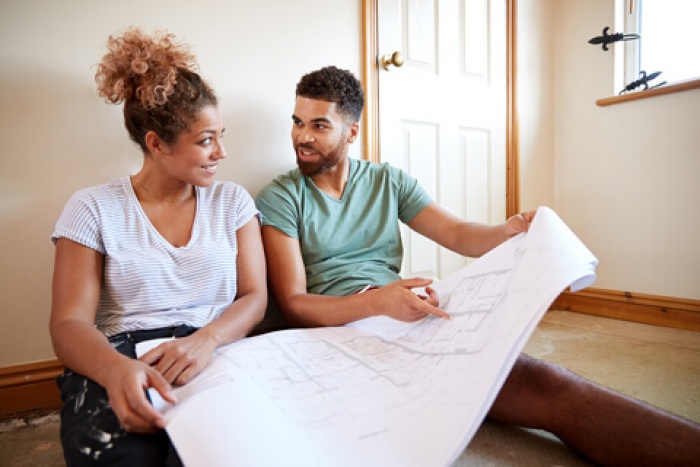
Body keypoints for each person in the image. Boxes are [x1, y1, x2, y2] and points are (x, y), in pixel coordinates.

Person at [255, 65, 700, 466]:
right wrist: (377, 304)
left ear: (351, 132)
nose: (302, 137)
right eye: (296, 122)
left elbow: (458, 233)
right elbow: (294, 305)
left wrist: (505, 231)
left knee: (546, 379)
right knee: (536, 388)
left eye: (318, 125)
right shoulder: (281, 197)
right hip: (347, 330)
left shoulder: (388, 181)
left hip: (404, 310)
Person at [49, 28, 266, 466]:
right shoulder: (92, 208)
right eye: (206, 140)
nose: (221, 152)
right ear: (157, 143)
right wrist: (114, 371)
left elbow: (254, 296)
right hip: (120, 356)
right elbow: (69, 323)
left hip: (215, 351)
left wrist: (207, 340)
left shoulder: (232, 202)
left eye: (221, 134)